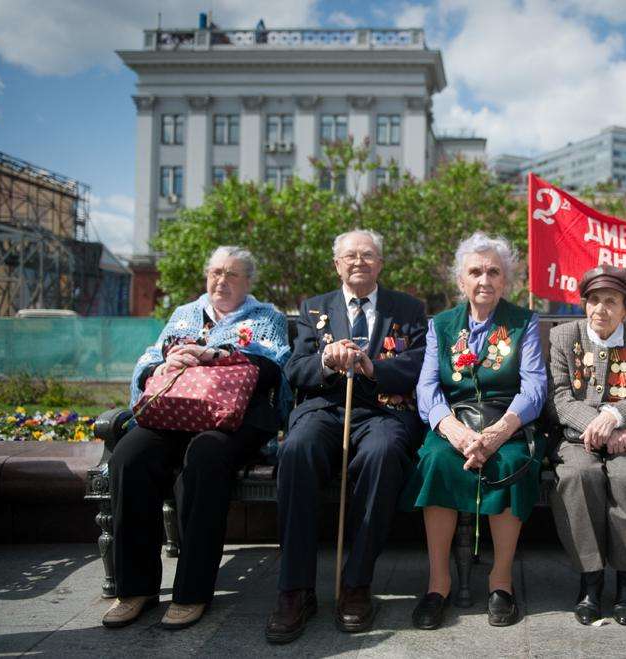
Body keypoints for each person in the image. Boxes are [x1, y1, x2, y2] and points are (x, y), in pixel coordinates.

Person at [103, 246, 291, 630]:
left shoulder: (265, 316)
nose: (222, 280)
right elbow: (148, 361)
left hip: (232, 420)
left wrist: (218, 355)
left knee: (205, 457)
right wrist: (164, 363)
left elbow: (277, 367)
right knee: (129, 458)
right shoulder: (184, 314)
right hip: (174, 412)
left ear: (248, 282)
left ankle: (192, 591)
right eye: (216, 272)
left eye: (232, 274)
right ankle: (135, 588)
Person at [266, 229, 427, 643]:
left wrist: (373, 367)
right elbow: (295, 370)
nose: (359, 262)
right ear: (337, 264)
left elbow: (419, 365)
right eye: (350, 256)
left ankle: (356, 583)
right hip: (326, 408)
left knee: (385, 452)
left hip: (382, 410)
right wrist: (325, 359)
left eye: (368, 256)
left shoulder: (408, 309)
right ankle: (295, 588)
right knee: (297, 449)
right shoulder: (313, 308)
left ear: (381, 265)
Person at [401, 232, 547, 630]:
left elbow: (534, 386)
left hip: (506, 420)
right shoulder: (442, 325)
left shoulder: (524, 322)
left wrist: (499, 432)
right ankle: (438, 584)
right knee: (435, 460)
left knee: (513, 461)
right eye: (476, 272)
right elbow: (427, 387)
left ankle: (501, 582)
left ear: (506, 280)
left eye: (494, 272)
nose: (485, 280)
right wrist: (451, 429)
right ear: (461, 281)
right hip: (456, 420)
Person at [546, 265, 626, 626]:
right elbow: (559, 398)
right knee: (579, 476)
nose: (600, 309)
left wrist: (614, 417)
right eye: (593, 300)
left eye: (611, 302)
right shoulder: (564, 337)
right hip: (575, 438)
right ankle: (590, 581)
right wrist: (600, 427)